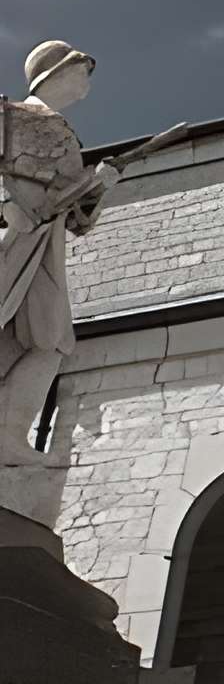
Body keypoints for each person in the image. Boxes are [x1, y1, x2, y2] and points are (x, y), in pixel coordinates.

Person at [0, 42, 117, 478]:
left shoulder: (67, 135)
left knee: (49, 343)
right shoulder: (9, 114)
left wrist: (99, 187)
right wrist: (9, 211)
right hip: (11, 235)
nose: (87, 83)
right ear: (59, 71)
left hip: (45, 245)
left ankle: (9, 438)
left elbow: (77, 218)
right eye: (82, 70)